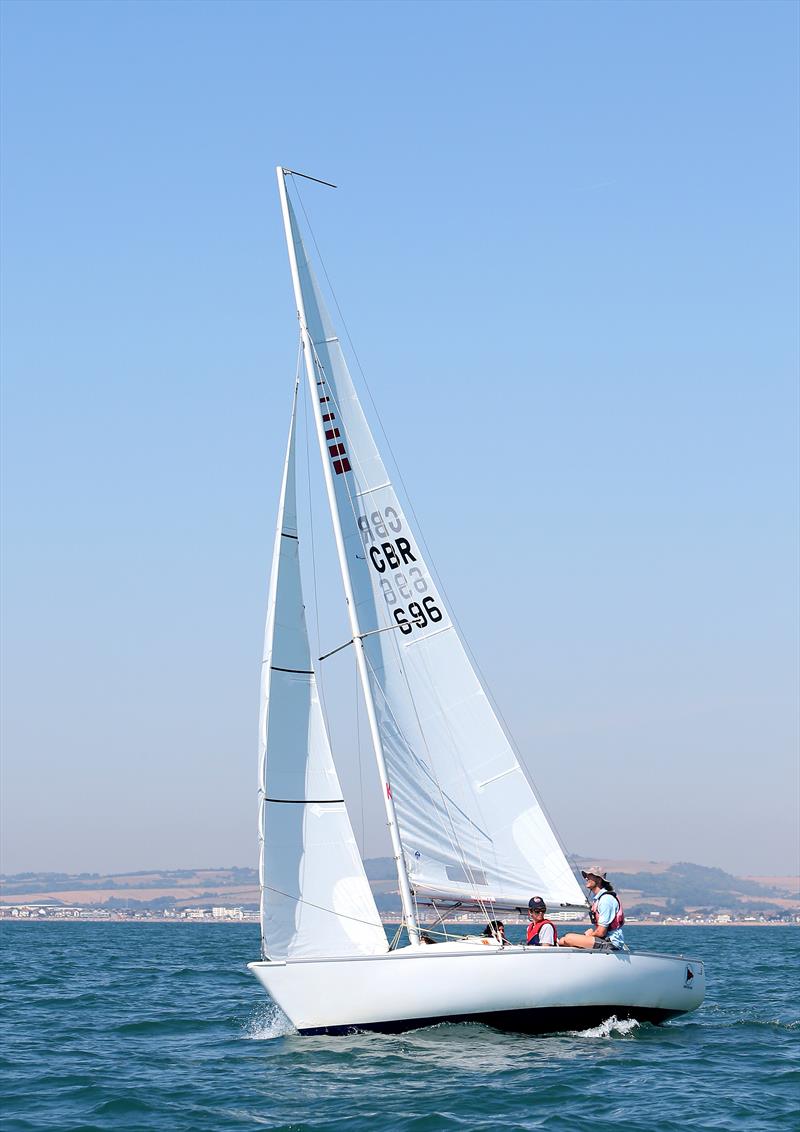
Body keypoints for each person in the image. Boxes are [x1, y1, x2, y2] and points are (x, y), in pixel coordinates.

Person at [559, 866, 625, 951]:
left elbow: (601, 932)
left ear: (599, 880)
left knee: (569, 938)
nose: (586, 878)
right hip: (604, 939)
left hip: (611, 942)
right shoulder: (599, 899)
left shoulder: (606, 899)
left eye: (589, 876)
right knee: (562, 941)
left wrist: (590, 934)